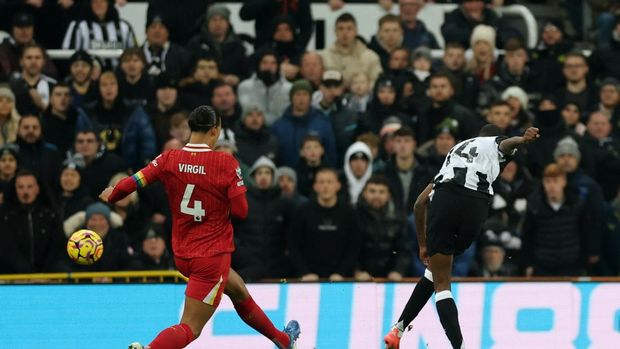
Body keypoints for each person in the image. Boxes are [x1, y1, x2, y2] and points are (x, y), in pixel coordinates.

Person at [100, 105, 300, 349]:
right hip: (210, 256)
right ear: (215, 131)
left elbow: (134, 182)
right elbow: (242, 211)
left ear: (191, 128)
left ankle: (283, 341)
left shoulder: (168, 158)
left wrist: (112, 195)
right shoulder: (225, 163)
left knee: (237, 290)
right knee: (190, 328)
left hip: (183, 253)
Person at [384, 124, 540, 349]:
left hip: (445, 199)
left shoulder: (456, 151)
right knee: (438, 275)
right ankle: (398, 330)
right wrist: (522, 140)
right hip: (476, 205)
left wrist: (422, 244)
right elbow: (505, 144)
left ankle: (454, 344)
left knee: (441, 280)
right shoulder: (493, 143)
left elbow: (419, 204)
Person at [288, 167, 361, 281]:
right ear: (315, 186)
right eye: (321, 182)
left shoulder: (349, 213)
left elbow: (354, 247)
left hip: (340, 278)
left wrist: (341, 273)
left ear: (338, 185)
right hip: (309, 278)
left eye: (329, 182)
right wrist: (304, 273)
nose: (325, 186)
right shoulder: (302, 212)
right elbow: (293, 246)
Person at [521, 163, 592, 276]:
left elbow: (586, 235)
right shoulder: (534, 207)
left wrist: (582, 264)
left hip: (571, 266)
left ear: (564, 181)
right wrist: (529, 264)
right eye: (548, 181)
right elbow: (527, 237)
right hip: (542, 266)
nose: (551, 186)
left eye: (555, 181)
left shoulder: (577, 204)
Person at [0, 169, 65, 273]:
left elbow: (56, 248)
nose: (25, 192)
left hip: (46, 279)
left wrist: (44, 275)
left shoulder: (51, 216)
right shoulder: (4, 216)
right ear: (15, 189)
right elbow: (7, 249)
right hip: (12, 279)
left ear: (38, 189)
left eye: (30, 187)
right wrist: (26, 273)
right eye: (21, 187)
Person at [355, 175, 410, 281]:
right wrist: (356, 271)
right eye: (372, 191)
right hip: (359, 276)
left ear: (388, 195)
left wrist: (398, 270)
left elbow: (403, 250)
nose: (377, 196)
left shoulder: (398, 218)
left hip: (390, 277)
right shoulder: (353, 216)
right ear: (364, 193)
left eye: (381, 192)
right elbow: (349, 250)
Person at [62, 0, 137, 69]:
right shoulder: (78, 26)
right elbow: (67, 54)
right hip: (88, 77)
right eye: (95, 2)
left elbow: (134, 52)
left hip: (119, 76)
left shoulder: (124, 27)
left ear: (108, 3)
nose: (99, 5)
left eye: (102, 1)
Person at [319, 13, 383, 86]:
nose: (345, 33)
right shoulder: (324, 56)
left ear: (356, 31)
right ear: (335, 32)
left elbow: (377, 83)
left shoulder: (371, 57)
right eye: (340, 29)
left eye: (349, 29)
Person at [8, 43, 56, 115]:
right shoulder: (10, 84)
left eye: (37, 57)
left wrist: (41, 105)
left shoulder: (53, 85)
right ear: (21, 61)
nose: (33, 61)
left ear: (44, 62)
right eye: (29, 57)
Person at [41, 83, 79, 155]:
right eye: (58, 95)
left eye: (66, 95)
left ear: (71, 99)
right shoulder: (43, 123)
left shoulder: (78, 119)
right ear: (51, 99)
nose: (63, 98)